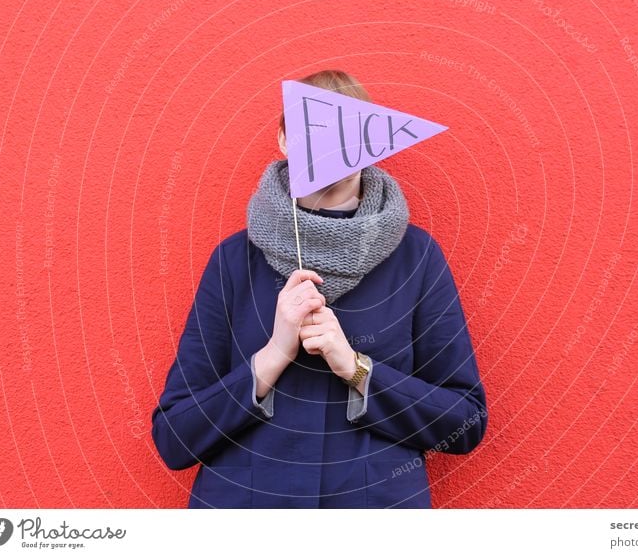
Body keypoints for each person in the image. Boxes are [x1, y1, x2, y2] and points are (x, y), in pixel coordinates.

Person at [151, 70, 488, 508]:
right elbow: (175, 437)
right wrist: (271, 357)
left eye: (347, 133)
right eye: (313, 132)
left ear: (374, 144)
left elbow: (464, 423)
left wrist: (356, 368)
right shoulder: (235, 260)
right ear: (285, 140)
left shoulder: (415, 258)